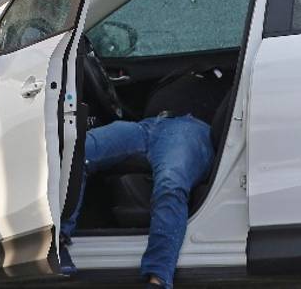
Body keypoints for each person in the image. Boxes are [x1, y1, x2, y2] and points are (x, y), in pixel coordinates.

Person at [60, 67, 230, 288]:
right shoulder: (173, 74)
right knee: (75, 152)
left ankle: (158, 278)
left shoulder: (230, 71)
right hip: (146, 125)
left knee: (170, 183)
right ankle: (57, 243)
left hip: (191, 130)